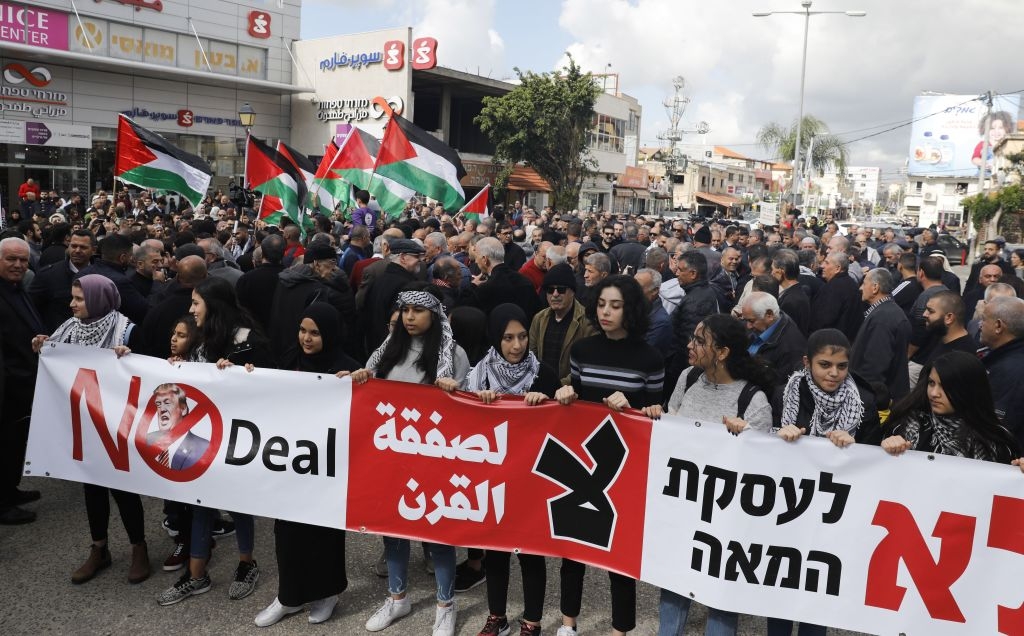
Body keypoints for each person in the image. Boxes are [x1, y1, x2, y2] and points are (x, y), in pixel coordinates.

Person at [346, 284, 470, 636]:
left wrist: (454, 393)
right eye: (404, 310)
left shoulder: (453, 355)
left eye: (418, 310)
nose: (409, 317)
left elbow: (468, 410)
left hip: (434, 457)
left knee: (439, 532)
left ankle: (446, 604)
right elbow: (370, 385)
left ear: (435, 314)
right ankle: (397, 596)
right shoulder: (388, 350)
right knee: (393, 529)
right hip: (393, 457)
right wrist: (359, 379)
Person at [553, 275, 665, 636]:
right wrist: (567, 394)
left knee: (620, 553)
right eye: (601, 304)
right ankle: (568, 624)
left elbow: (655, 414)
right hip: (582, 459)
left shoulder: (649, 357)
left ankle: (620, 630)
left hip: (625, 464)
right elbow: (578, 396)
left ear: (630, 309)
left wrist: (633, 408)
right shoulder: (583, 351)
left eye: (615, 306)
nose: (606, 312)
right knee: (572, 550)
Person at [650, 313, 774, 636]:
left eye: (699, 341)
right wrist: (657, 418)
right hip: (684, 509)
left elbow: (764, 470)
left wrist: (748, 435)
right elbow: (672, 428)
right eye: (692, 338)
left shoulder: (753, 401)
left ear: (722, 352)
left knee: (720, 598)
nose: (690, 346)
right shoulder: (688, 377)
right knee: (674, 587)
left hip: (726, 522)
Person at [157, 277, 270, 606]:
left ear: (214, 305)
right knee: (200, 504)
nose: (191, 311)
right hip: (202, 440)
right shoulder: (200, 339)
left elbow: (271, 389)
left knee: (238, 505)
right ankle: (196, 575)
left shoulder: (248, 341)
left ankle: (247, 564)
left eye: (196, 303)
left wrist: (246, 373)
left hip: (238, 441)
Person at [31, 275, 148, 584]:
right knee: (92, 488)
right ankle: (99, 548)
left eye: (79, 299)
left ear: (98, 299)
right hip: (84, 425)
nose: (72, 304)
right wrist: (43, 347)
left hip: (117, 426)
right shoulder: (68, 329)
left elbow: (150, 372)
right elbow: (56, 366)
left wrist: (129, 357)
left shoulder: (128, 330)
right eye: (73, 297)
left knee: (124, 488)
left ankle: (139, 547)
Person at [254, 304, 357, 627]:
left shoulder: (346, 367)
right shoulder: (288, 359)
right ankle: (289, 596)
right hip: (288, 461)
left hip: (326, 466)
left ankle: (327, 593)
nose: (306, 338)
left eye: (314, 333)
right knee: (286, 531)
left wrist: (357, 383)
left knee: (322, 532)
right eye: (302, 330)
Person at [464, 304, 559, 636]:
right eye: (507, 338)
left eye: (521, 337)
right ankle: (497, 616)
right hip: (493, 478)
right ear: (495, 337)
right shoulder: (479, 375)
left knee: (531, 553)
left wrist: (551, 399)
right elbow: (460, 422)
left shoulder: (543, 374)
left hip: (531, 479)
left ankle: (531, 621)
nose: (516, 346)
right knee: (496, 551)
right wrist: (476, 399)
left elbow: (561, 424)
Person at [882, 351, 1020, 463]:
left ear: (968, 390)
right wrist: (886, 446)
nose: (934, 393)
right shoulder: (906, 423)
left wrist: (1018, 471)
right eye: (931, 383)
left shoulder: (998, 441)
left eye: (945, 386)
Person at [0, 237, 44, 524]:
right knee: (5, 445)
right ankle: (2, 504)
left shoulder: (18, 287)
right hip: (7, 387)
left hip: (23, 384)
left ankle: (9, 490)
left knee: (15, 445)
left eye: (23, 260)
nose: (18, 265)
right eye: (11, 259)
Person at [529, 263, 598, 385]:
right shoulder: (539, 319)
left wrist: (559, 385)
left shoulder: (587, 322)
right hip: (540, 390)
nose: (555, 294)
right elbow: (531, 357)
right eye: (550, 290)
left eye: (561, 289)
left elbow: (588, 364)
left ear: (572, 291)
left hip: (570, 393)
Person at [850, 268, 911, 402]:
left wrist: (864, 398)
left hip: (876, 400)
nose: (861, 288)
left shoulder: (883, 318)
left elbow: (875, 366)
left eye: (864, 283)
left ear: (875, 288)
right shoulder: (886, 312)